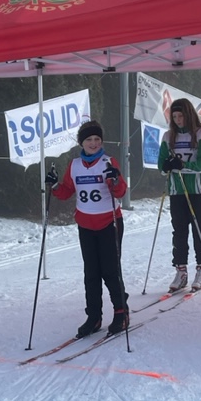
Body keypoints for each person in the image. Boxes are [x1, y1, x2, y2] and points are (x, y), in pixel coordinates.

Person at [45, 120, 129, 338]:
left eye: (97, 139)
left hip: (109, 222)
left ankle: (121, 312)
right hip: (85, 224)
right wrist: (54, 185)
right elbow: (66, 191)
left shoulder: (108, 162)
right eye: (89, 140)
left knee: (110, 270)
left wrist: (115, 179)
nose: (93, 143)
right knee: (91, 273)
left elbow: (120, 191)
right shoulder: (74, 165)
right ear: (81, 142)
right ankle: (94, 316)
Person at [157, 98, 201, 292]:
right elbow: (161, 166)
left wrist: (183, 165)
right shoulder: (168, 136)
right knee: (179, 231)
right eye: (174, 117)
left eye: (181, 116)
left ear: (189, 115)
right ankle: (181, 271)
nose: (178, 120)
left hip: (198, 189)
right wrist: (166, 166)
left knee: (199, 229)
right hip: (176, 190)